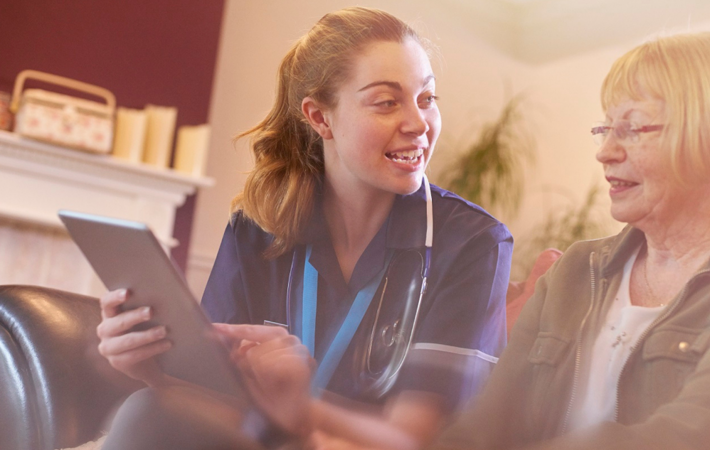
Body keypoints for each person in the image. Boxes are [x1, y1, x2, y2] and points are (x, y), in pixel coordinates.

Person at [95, 6, 512, 450]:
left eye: (426, 98)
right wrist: (149, 370)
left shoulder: (474, 242)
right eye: (387, 102)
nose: (418, 123)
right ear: (319, 117)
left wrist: (303, 408)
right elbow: (215, 397)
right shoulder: (257, 226)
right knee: (148, 408)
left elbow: (416, 440)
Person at [429, 32, 710, 450]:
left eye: (632, 129)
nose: (604, 152)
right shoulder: (575, 269)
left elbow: (689, 440)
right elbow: (483, 429)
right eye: (605, 129)